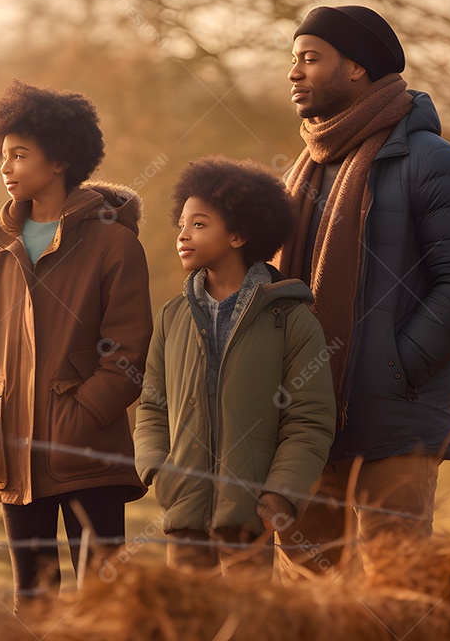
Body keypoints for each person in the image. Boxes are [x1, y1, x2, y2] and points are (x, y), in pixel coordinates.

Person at [277, 5, 450, 571]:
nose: (294, 73)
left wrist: (395, 369)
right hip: (303, 422)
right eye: (293, 60)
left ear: (356, 67)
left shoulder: (434, 162)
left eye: (310, 59)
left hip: (394, 423)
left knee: (394, 589)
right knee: (312, 590)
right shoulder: (300, 173)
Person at [0, 79, 152, 608]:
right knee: (32, 598)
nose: (6, 166)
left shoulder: (114, 244)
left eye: (20, 154)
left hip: (89, 452)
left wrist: (79, 415)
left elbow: (128, 352)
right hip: (10, 451)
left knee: (101, 600)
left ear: (60, 157)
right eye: (2, 155)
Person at [134, 156, 336, 572]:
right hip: (184, 517)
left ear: (240, 235)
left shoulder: (292, 319)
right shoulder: (172, 317)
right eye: (182, 225)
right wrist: (156, 468)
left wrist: (281, 493)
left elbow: (309, 419)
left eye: (200, 224)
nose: (183, 235)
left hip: (252, 520)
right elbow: (153, 405)